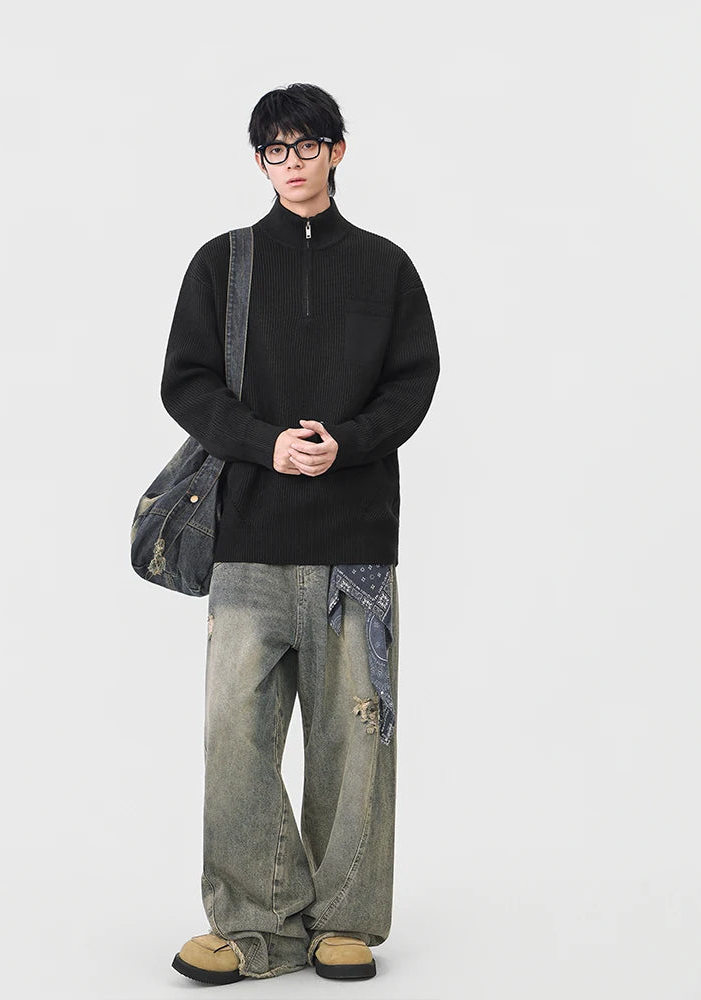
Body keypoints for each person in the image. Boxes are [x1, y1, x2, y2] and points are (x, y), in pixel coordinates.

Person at [159, 82, 440, 984]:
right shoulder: (224, 263)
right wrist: (265, 444)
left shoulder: (387, 267)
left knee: (356, 736)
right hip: (248, 538)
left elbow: (414, 382)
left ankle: (344, 921)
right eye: (275, 150)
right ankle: (255, 924)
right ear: (259, 161)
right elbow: (186, 381)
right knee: (234, 734)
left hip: (355, 543)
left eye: (306, 146)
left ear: (337, 151)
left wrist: (346, 443)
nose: (292, 164)